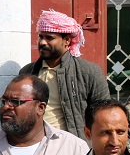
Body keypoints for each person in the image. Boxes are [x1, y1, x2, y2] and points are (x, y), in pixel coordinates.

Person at [19, 10, 110, 139]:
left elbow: (103, 113)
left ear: (67, 40)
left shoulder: (89, 71)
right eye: (41, 37)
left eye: (49, 38)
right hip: (35, 143)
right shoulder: (27, 72)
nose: (42, 42)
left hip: (73, 144)